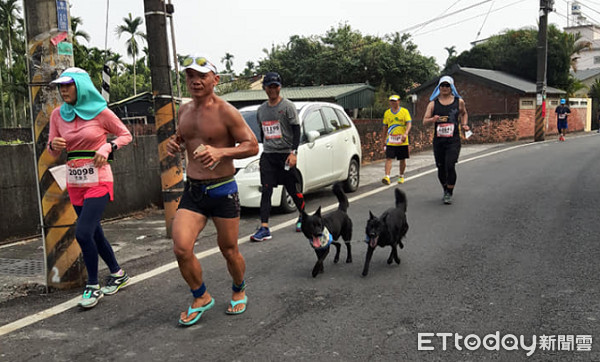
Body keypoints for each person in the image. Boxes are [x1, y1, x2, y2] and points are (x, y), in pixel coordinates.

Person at [166, 55, 258, 326]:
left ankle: (239, 287)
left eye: (202, 75)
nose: (195, 80)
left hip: (222, 190)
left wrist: (221, 151)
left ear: (215, 80)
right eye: (190, 75)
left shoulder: (226, 111)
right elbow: (183, 137)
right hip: (193, 190)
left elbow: (251, 145)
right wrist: (175, 143)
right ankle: (200, 296)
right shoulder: (183, 110)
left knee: (228, 249)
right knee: (181, 248)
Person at [47, 67, 133, 309]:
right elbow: (51, 149)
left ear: (81, 86)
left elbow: (125, 135)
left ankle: (92, 286)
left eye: (68, 85)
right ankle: (118, 274)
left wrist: (107, 148)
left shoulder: (100, 112)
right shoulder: (57, 115)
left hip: (99, 180)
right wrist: (53, 144)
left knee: (83, 233)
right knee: (94, 232)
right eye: (60, 86)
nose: (63, 90)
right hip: (75, 182)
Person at [249, 72, 306, 242]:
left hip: (285, 155)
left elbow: (296, 130)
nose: (272, 89)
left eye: (275, 86)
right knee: (266, 190)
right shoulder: (261, 110)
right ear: (264, 88)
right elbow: (263, 132)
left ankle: (303, 216)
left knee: (292, 189)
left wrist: (293, 152)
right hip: (268, 155)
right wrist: (263, 153)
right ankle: (264, 227)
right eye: (269, 86)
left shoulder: (287, 106)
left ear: (280, 87)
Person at [423, 75, 469, 205]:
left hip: (453, 140)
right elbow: (424, 121)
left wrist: (464, 124)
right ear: (439, 87)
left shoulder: (459, 101)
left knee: (450, 164)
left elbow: (464, 113)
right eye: (442, 85)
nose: (444, 88)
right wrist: (432, 119)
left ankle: (449, 192)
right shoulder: (433, 104)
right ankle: (445, 188)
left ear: (451, 87)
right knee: (441, 167)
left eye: (447, 85)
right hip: (439, 141)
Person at [381, 94, 412, 185]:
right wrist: (383, 140)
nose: (393, 103)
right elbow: (385, 127)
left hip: (402, 141)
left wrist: (406, 133)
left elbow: (409, 124)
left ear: (399, 101)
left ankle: (401, 175)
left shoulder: (404, 111)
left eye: (395, 101)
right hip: (391, 140)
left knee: (402, 159)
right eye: (391, 101)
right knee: (388, 158)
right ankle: (387, 176)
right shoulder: (387, 113)